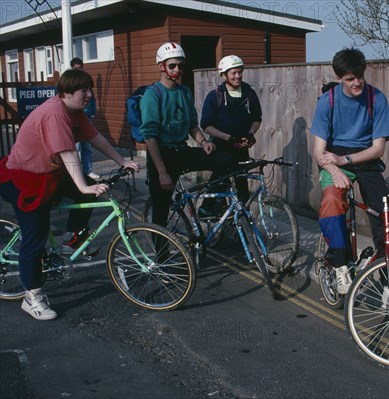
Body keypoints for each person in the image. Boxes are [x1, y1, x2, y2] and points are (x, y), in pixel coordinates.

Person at [0, 68, 140, 320]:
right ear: (66, 93)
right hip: (24, 178)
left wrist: (121, 161)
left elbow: (95, 138)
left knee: (89, 192)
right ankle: (32, 298)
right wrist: (83, 186)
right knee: (36, 236)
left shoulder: (75, 112)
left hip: (50, 173)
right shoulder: (55, 113)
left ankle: (70, 242)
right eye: (83, 90)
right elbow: (68, 153)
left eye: (90, 89)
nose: (89, 94)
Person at [310, 48, 389, 294]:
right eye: (350, 78)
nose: (357, 82)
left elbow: (378, 149)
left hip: (363, 157)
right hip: (333, 158)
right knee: (332, 201)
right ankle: (339, 263)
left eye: (360, 76)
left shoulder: (376, 99)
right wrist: (335, 170)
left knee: (385, 213)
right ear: (339, 79)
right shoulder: (328, 101)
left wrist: (344, 160)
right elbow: (318, 151)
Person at [140, 42, 235, 228]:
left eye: (181, 65)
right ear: (161, 66)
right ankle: (161, 257)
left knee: (226, 160)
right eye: (172, 65)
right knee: (160, 214)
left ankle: (208, 207)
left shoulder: (184, 92)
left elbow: (192, 125)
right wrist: (162, 172)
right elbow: (149, 137)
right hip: (161, 155)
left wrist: (203, 142)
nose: (177, 69)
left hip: (182, 150)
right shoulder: (153, 95)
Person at [200, 55, 262, 204]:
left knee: (242, 191)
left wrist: (251, 133)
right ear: (224, 74)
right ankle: (209, 212)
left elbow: (256, 118)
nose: (238, 76)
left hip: (241, 149)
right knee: (219, 187)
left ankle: (240, 221)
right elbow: (206, 125)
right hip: (221, 147)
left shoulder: (249, 94)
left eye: (240, 72)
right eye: (233, 73)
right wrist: (228, 137)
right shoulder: (215, 96)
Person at [70, 57, 100, 180]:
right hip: (76, 120)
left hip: (87, 118)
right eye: (76, 68)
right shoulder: (71, 84)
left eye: (80, 68)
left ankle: (88, 171)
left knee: (87, 146)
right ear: (72, 68)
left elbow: (92, 99)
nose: (79, 70)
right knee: (76, 148)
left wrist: (93, 113)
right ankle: (77, 173)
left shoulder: (87, 83)